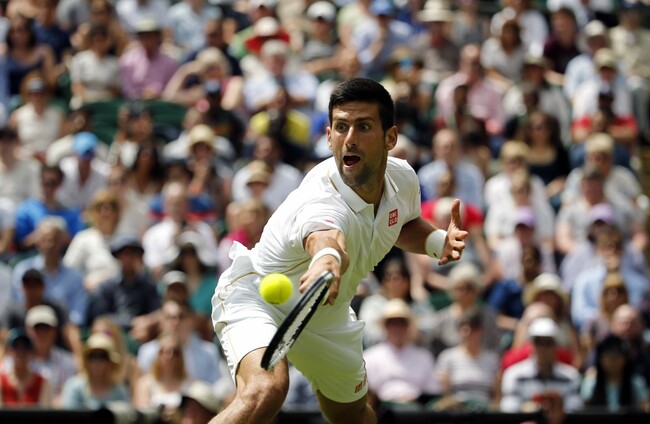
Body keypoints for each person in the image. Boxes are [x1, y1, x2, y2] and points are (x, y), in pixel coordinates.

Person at [210, 78, 467, 423]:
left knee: (355, 416)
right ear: (329, 136)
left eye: (364, 126)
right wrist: (326, 260)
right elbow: (326, 237)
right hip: (256, 296)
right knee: (265, 389)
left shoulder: (403, 179)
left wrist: (437, 242)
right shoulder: (320, 198)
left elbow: (399, 224)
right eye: (341, 127)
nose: (350, 138)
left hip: (327, 313)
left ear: (390, 138)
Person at [363, 298, 440, 406]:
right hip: (381, 409)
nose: (397, 329)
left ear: (408, 327)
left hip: (416, 408)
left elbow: (432, 391)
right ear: (386, 327)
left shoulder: (423, 356)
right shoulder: (370, 357)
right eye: (392, 324)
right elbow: (366, 392)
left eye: (401, 323)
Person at [500, 317, 583, 413]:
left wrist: (556, 408)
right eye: (538, 342)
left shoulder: (570, 377)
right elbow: (508, 408)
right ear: (531, 344)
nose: (543, 348)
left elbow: (575, 408)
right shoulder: (514, 375)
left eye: (548, 343)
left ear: (556, 345)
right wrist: (531, 408)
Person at [60, 332, 130, 409]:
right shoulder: (75, 387)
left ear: (110, 362)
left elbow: (126, 414)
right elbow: (70, 414)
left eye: (102, 356)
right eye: (92, 356)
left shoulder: (119, 391)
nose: (97, 361)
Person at [581, 334, 650, 412]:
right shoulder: (590, 383)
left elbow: (644, 407)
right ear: (600, 359)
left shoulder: (636, 383)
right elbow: (585, 410)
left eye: (617, 356)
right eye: (607, 356)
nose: (612, 361)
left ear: (625, 358)